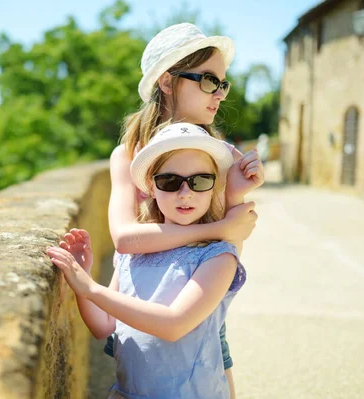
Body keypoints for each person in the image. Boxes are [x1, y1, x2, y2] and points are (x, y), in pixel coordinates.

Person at [105, 22, 264, 397]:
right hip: (141, 301)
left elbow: (230, 246)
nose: (220, 94)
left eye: (223, 83)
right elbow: (125, 238)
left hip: (200, 309)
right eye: (209, 80)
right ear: (166, 81)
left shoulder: (220, 153)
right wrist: (218, 227)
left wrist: (235, 197)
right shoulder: (128, 154)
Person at [47, 122, 258, 398]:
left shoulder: (217, 256)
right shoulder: (134, 253)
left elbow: (174, 324)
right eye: (169, 182)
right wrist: (82, 280)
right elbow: (103, 325)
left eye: (200, 181)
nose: (185, 193)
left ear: (214, 186)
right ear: (151, 186)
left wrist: (91, 288)